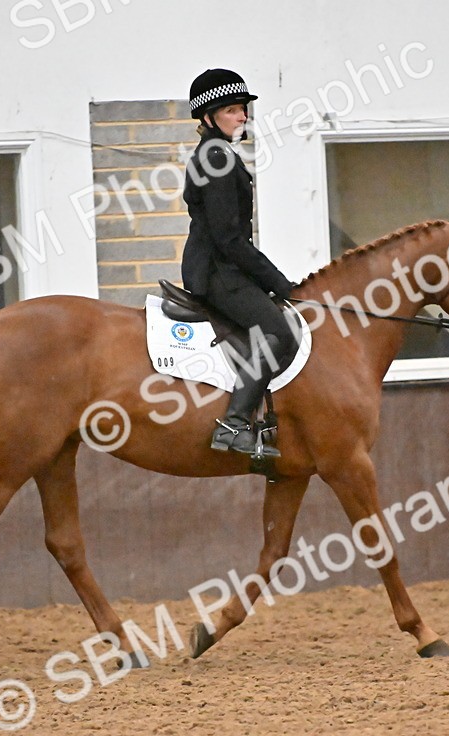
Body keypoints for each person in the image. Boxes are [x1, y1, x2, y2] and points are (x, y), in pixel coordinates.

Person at [181, 68, 299, 458]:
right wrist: (280, 283)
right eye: (233, 110)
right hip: (218, 272)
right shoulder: (215, 156)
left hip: (224, 268)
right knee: (278, 332)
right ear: (208, 117)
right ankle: (233, 425)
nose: (243, 116)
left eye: (243, 109)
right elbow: (229, 238)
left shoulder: (219, 153)